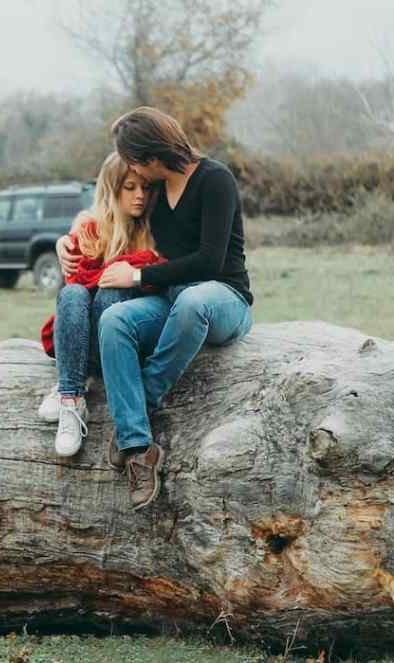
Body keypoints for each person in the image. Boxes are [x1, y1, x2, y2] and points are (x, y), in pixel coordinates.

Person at [95, 107, 254, 511]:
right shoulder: (155, 192)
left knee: (192, 300)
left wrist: (135, 278)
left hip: (222, 299)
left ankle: (139, 408)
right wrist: (69, 240)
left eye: (133, 160)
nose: (132, 170)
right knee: (114, 320)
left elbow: (209, 261)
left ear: (151, 156)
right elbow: (109, 209)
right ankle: (138, 448)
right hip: (171, 299)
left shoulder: (215, 180)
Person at [38, 152, 160, 459]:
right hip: (84, 336)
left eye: (145, 188)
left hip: (122, 346)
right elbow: (74, 278)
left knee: (109, 295)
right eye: (130, 187)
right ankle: (71, 397)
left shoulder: (154, 231)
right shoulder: (90, 229)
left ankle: (70, 379)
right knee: (72, 294)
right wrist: (63, 243)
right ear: (111, 189)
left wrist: (128, 274)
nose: (140, 196)